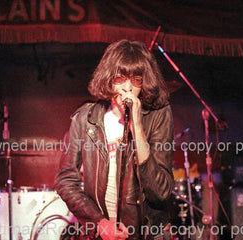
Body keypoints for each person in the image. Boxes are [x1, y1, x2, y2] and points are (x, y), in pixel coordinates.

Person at [55, 39, 174, 240]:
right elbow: (66, 181)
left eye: (136, 79)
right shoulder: (86, 119)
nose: (127, 87)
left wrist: (136, 126)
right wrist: (99, 223)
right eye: (120, 78)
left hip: (146, 233)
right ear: (109, 78)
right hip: (101, 234)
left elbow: (160, 191)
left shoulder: (158, 115)